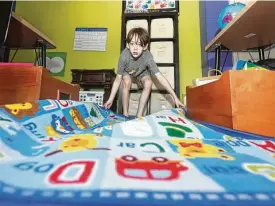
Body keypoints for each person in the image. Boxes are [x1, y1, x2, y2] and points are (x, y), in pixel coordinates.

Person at [104, 27, 184, 118]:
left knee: (149, 82)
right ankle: (125, 113)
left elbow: (160, 77)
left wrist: (175, 98)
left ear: (145, 47)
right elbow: (118, 79)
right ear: (127, 45)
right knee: (126, 82)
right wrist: (110, 99)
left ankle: (139, 114)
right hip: (128, 72)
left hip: (142, 72)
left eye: (139, 45)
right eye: (132, 44)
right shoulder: (124, 56)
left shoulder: (148, 57)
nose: (135, 48)